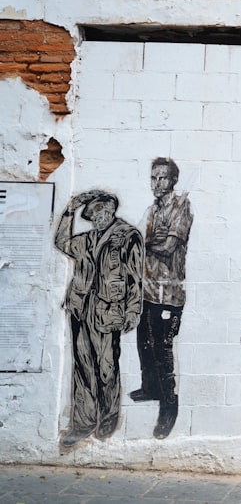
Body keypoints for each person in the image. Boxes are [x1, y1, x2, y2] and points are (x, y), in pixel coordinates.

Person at [55, 190, 143, 448]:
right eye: (93, 216)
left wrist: (132, 310)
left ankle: (108, 418)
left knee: (106, 368)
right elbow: (61, 243)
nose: (98, 219)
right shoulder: (85, 240)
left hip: (108, 309)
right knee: (82, 368)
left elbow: (135, 277)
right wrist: (69, 211)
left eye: (102, 213)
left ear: (112, 210)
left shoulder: (128, 236)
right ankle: (83, 423)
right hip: (81, 308)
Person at [130, 157, 193, 439]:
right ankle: (151, 388)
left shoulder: (182, 206)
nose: (157, 183)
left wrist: (142, 241)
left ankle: (169, 407)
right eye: (153, 177)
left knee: (163, 350)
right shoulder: (151, 209)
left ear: (173, 181)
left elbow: (168, 247)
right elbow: (136, 237)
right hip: (148, 289)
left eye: (162, 178)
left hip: (169, 293)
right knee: (144, 341)